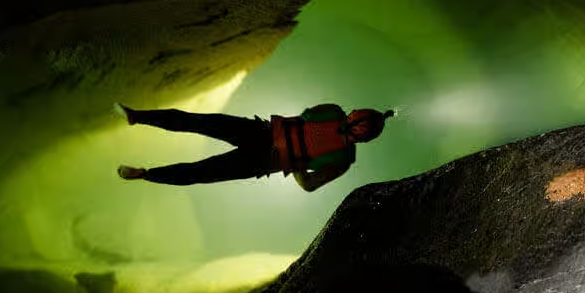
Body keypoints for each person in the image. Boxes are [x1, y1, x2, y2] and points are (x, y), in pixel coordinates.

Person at [113, 102, 394, 191]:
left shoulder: (343, 159)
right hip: (262, 134)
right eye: (357, 116)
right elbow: (305, 117)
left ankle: (144, 173)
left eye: (358, 119)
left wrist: (292, 162)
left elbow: (309, 184)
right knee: (200, 124)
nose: (353, 115)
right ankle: (137, 117)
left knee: (203, 170)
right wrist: (291, 156)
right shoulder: (333, 113)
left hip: (264, 159)